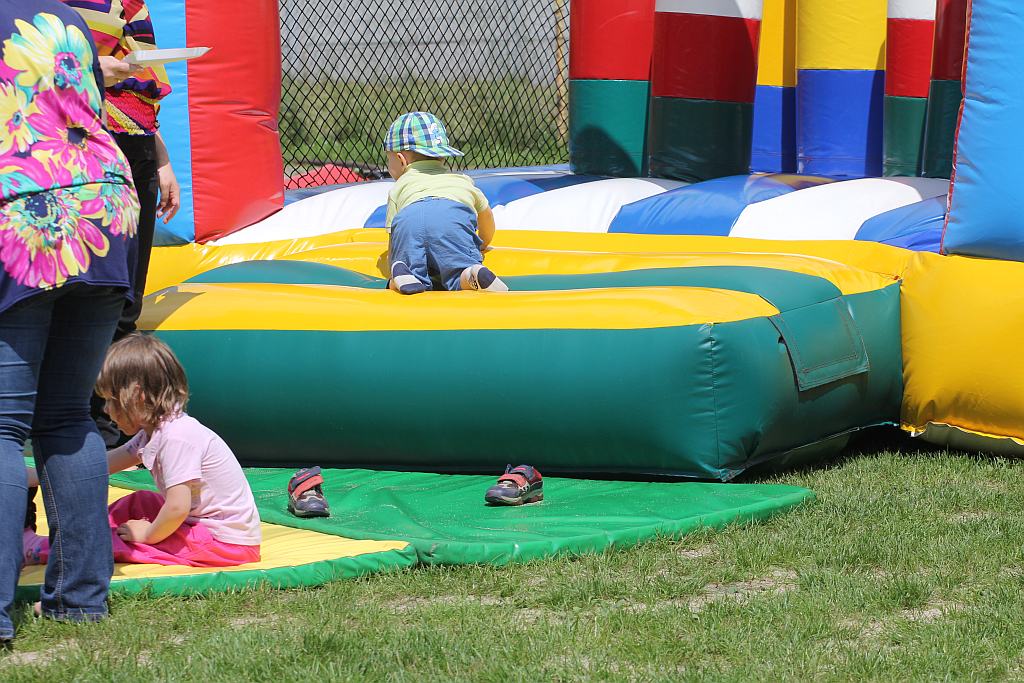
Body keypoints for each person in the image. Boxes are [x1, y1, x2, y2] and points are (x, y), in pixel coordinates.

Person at [0, 0, 140, 644]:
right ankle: (81, 601)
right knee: (65, 416)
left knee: (3, 425)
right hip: (106, 204)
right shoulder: (70, 17)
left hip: (27, 206)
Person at [23, 334, 262, 569]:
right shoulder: (155, 431)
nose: (106, 410)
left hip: (223, 543)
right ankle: (81, 534)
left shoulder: (177, 437)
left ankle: (37, 550)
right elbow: (100, 466)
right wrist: (33, 477)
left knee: (125, 541)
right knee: (140, 501)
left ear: (137, 395)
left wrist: (147, 534)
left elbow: (177, 507)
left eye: (110, 400)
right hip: (200, 528)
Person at [61, 0, 180, 446]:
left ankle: (106, 414)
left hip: (133, 148)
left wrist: (161, 158)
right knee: (83, 289)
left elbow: (141, 82)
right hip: (77, 146)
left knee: (127, 294)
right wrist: (92, 67)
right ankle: (74, 414)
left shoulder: (127, 4)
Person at [383, 111, 508, 295]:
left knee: (406, 264)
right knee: (460, 271)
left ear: (401, 160)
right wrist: (483, 243)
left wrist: (394, 259)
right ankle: (471, 273)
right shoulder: (462, 181)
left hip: (409, 219)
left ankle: (403, 275)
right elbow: (486, 215)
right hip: (452, 218)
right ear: (442, 156)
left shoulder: (398, 188)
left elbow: (394, 235)